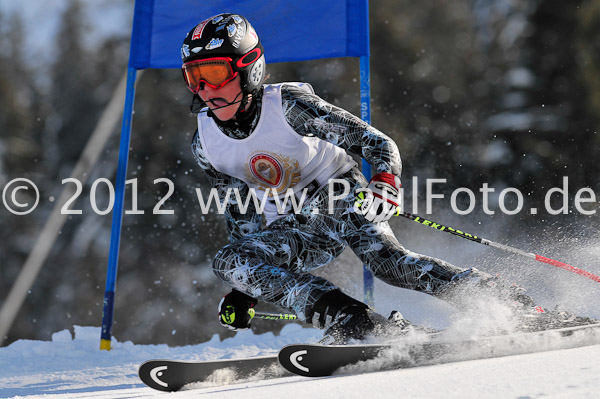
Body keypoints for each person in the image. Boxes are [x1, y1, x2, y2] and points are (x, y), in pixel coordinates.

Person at [180, 13, 579, 344]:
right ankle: (357, 324)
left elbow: (374, 142)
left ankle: (518, 307)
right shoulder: (206, 143)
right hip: (298, 225)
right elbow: (242, 218)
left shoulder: (288, 107)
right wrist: (245, 286)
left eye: (215, 73)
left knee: (390, 265)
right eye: (194, 77)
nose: (205, 90)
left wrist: (384, 183)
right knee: (230, 259)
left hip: (343, 197)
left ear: (249, 68)